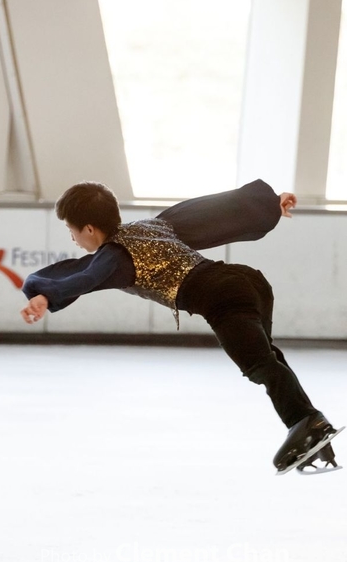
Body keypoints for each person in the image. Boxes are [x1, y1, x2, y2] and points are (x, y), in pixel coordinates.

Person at [20, 179, 341, 474]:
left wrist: (45, 295)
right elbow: (206, 211)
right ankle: (310, 427)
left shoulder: (113, 256)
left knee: (259, 364)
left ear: (89, 228)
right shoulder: (150, 226)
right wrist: (269, 204)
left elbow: (85, 275)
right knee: (267, 358)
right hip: (248, 281)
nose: (72, 238)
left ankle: (307, 422)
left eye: (71, 230)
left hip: (222, 297)